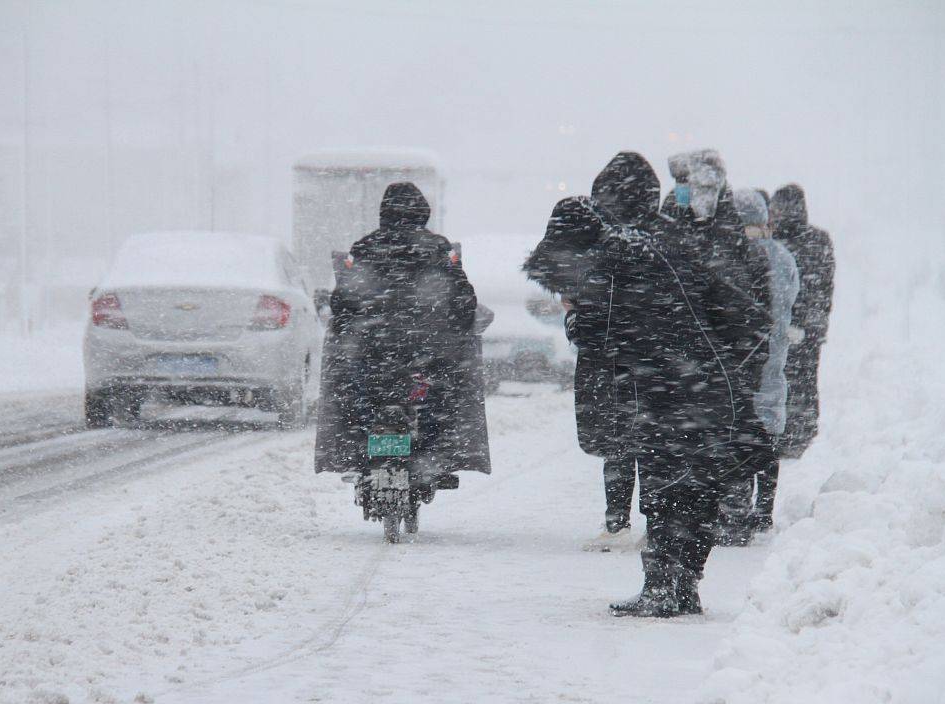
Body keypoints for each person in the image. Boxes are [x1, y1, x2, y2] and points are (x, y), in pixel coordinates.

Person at [525, 151, 736, 617]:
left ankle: (663, 588)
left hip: (663, 389)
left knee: (665, 489)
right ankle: (683, 586)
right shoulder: (667, 241)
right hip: (700, 383)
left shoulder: (623, 257)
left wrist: (576, 317)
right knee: (693, 487)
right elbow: (724, 308)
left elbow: (603, 333)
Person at [314, 181, 491, 480]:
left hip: (372, 351)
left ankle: (358, 452)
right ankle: (433, 456)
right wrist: (453, 328)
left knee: (354, 396)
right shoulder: (438, 248)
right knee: (443, 396)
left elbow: (342, 303)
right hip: (426, 351)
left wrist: (356, 331)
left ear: (384, 212)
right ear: (423, 212)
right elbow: (463, 299)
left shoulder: (364, 248)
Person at [663, 150, 772, 546]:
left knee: (720, 439)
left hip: (719, 359)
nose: (689, 192)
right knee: (704, 441)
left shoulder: (727, 243)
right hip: (700, 360)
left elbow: (757, 312)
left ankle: (724, 515)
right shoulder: (677, 232)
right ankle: (702, 517)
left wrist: (744, 357)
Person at [733, 188, 800, 532]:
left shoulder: (736, 255)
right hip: (774, 354)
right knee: (769, 432)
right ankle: (764, 510)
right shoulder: (783, 257)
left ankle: (739, 507)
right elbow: (791, 298)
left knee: (741, 432)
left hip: (743, 355)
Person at [769, 183, 836, 458]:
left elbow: (816, 286)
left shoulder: (779, 243)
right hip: (807, 325)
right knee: (803, 377)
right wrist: (815, 322)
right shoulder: (818, 239)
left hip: (791, 324)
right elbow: (824, 286)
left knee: (790, 377)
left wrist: (799, 321)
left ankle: (792, 432)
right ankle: (802, 429)